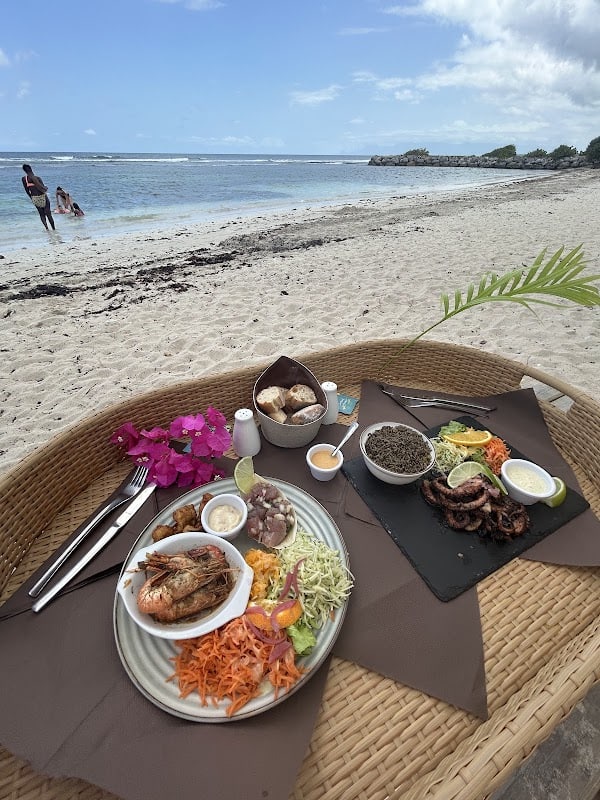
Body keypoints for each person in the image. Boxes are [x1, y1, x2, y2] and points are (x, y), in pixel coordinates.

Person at [22, 164, 55, 231]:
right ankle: (54, 229)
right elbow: (42, 189)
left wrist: (31, 198)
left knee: (41, 214)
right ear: (31, 169)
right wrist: (46, 188)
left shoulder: (24, 179)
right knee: (48, 214)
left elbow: (27, 191)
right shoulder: (37, 178)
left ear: (24, 171)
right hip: (43, 197)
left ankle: (47, 229)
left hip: (34, 198)